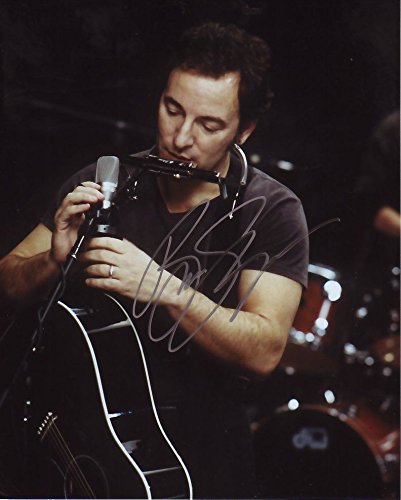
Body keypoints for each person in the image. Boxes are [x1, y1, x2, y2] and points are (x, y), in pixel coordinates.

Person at [0, 22, 308, 498]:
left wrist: (164, 289)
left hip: (198, 463)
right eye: (172, 110)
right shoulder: (106, 181)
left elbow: (264, 351)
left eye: (208, 125)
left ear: (243, 131)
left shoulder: (271, 210)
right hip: (83, 452)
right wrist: (55, 260)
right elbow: (7, 286)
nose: (180, 138)